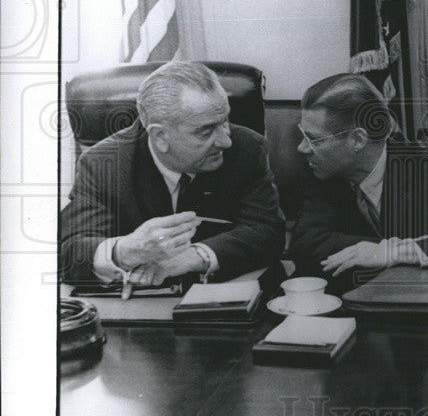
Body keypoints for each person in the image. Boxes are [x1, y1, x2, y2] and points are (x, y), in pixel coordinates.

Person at [286, 73, 428, 292]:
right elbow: (305, 245)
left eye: (313, 139)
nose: (302, 148)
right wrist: (390, 250)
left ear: (358, 139)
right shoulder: (323, 174)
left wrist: (395, 252)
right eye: (303, 135)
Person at [60, 62, 285, 286]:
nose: (225, 140)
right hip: (141, 304)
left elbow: (268, 231)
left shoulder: (247, 148)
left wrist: (194, 257)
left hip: (223, 294)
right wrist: (125, 251)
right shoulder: (103, 164)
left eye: (224, 121)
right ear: (160, 137)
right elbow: (71, 252)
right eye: (206, 131)